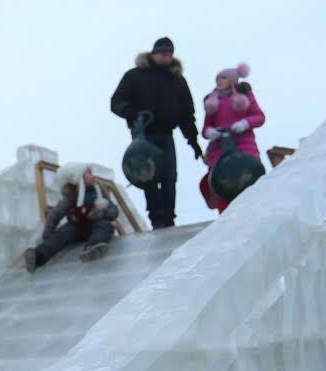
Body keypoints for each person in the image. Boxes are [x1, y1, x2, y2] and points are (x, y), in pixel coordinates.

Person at [110, 36, 202, 229]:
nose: (166, 58)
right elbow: (116, 102)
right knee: (148, 176)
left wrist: (193, 141)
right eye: (163, 54)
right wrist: (130, 112)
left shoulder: (177, 80)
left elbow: (186, 114)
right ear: (153, 54)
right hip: (142, 134)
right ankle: (157, 219)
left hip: (166, 134)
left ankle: (169, 219)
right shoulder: (134, 76)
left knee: (169, 177)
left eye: (169, 54)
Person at [24, 162, 119, 272]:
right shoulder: (70, 197)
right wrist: (48, 237)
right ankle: (38, 256)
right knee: (63, 233)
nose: (92, 176)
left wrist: (102, 213)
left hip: (96, 225)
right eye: (88, 173)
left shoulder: (98, 192)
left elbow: (114, 210)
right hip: (77, 227)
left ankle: (94, 247)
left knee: (105, 225)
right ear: (78, 178)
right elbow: (55, 215)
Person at [201, 63, 267, 213]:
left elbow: (260, 117)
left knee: (250, 180)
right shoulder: (212, 101)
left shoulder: (245, 96)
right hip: (219, 150)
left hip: (244, 146)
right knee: (222, 184)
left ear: (232, 80)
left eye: (223, 78)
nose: (219, 81)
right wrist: (211, 132)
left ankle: (255, 214)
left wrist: (244, 123)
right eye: (218, 79)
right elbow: (205, 129)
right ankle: (225, 218)